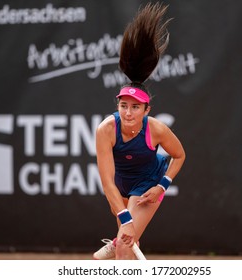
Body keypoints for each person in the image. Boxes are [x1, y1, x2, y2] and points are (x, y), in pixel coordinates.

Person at [93, 2, 185, 260]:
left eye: (135, 107)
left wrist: (162, 186)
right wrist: (123, 216)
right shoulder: (106, 130)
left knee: (124, 246)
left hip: (148, 184)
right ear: (118, 105)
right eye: (124, 106)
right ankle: (121, 236)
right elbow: (107, 181)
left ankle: (119, 240)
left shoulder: (156, 129)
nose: (128, 112)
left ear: (147, 110)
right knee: (130, 239)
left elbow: (179, 155)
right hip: (120, 185)